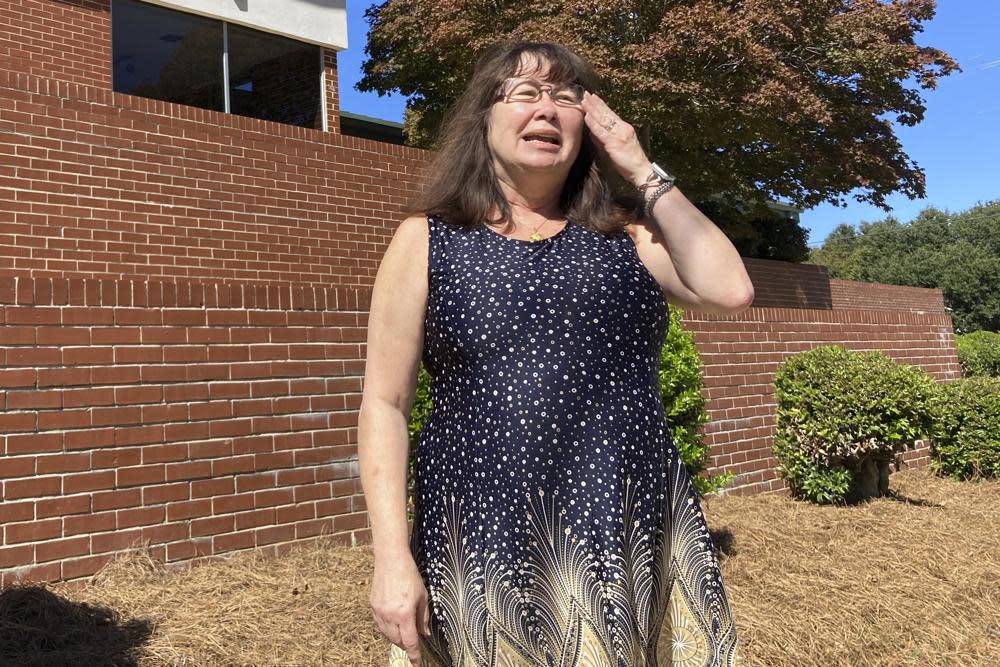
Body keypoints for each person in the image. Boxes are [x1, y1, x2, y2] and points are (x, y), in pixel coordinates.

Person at [358, 39, 753, 667]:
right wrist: (391, 557)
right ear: (482, 119)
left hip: (621, 536)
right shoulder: (426, 240)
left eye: (566, 97)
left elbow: (730, 292)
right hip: (478, 545)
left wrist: (641, 168)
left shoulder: (629, 232)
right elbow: (385, 402)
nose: (546, 109)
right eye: (524, 93)